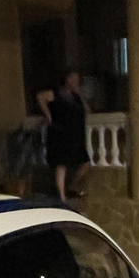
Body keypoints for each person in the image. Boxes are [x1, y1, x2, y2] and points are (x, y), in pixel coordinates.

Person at [36, 70, 89, 201]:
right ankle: (62, 196)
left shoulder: (76, 97)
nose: (74, 81)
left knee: (86, 163)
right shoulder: (56, 93)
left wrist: (80, 95)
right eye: (72, 78)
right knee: (61, 165)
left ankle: (72, 186)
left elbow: (87, 111)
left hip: (75, 135)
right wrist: (48, 115)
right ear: (66, 79)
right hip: (59, 133)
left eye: (77, 79)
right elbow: (40, 96)